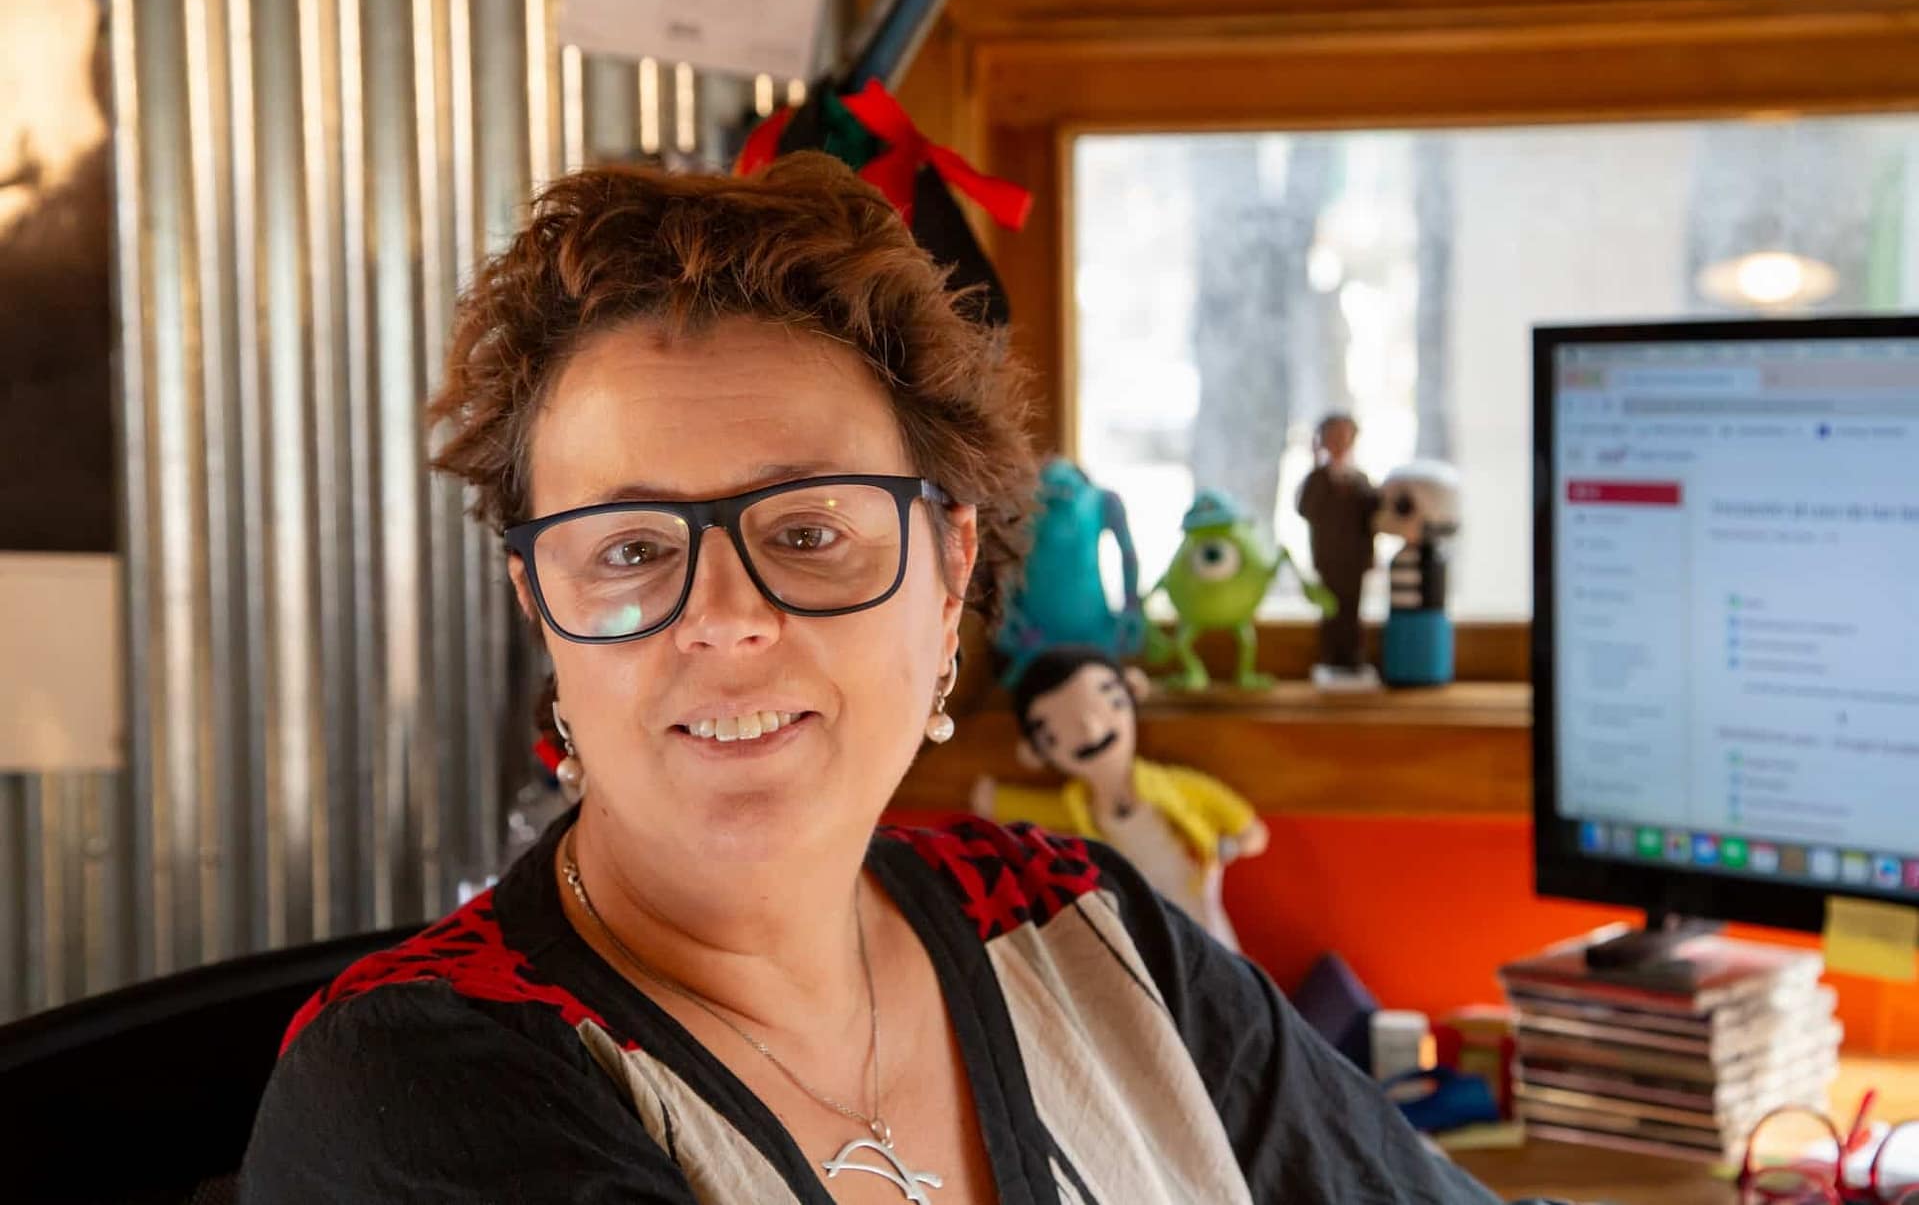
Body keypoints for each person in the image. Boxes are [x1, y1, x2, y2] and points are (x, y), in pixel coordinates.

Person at [237, 154, 1500, 1204]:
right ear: (541, 608)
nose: (725, 621)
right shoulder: (414, 1089)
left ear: (949, 570)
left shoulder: (1082, 924)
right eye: (629, 550)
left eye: (806, 532)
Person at [973, 646, 1266, 950]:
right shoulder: (1078, 805)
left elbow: (1230, 813)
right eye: (1051, 734)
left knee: (1215, 952)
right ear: (1034, 752)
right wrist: (997, 800)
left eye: (1110, 700)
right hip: (1135, 916)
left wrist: (1240, 836)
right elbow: (1043, 810)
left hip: (1193, 892)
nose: (1090, 729)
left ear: (1133, 691)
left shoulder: (1171, 785)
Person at [1295, 412, 1381, 688]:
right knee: (1332, 610)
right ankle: (1331, 658)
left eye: (1345, 436)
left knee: (1353, 611)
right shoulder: (1317, 479)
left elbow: (1373, 516)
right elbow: (1304, 508)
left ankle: (1352, 659)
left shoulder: (1360, 480)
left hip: (1355, 558)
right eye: (1334, 437)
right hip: (1329, 556)